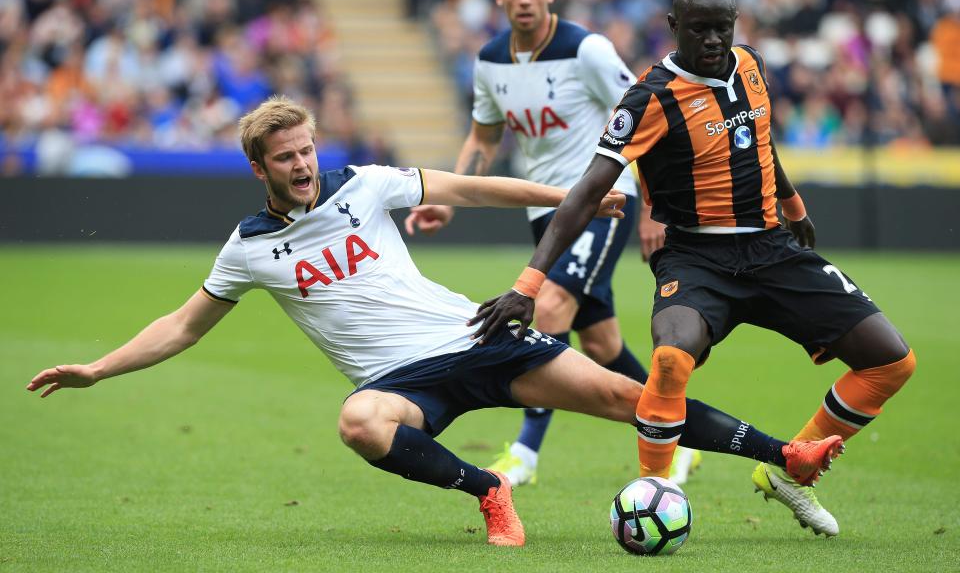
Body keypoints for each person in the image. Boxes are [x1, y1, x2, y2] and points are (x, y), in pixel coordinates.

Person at [27, 95, 843, 548]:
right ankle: (489, 491)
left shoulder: (366, 184)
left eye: (308, 149)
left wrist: (571, 196)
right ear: (259, 169)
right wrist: (98, 368)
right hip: (401, 385)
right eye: (286, 158)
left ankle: (786, 455)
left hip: (476, 336)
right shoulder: (246, 251)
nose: (304, 164)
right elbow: (182, 325)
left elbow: (475, 188)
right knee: (358, 421)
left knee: (624, 394)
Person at [470, 0, 915, 538]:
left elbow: (760, 139)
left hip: (772, 247)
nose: (712, 40)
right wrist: (528, 283)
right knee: (671, 358)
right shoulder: (649, 97)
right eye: (699, 29)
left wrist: (795, 205)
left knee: (891, 361)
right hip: (696, 259)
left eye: (722, 28)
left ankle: (792, 474)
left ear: (735, 25)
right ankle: (653, 490)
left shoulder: (750, 64)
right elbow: (586, 192)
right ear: (674, 27)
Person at [403, 0, 703, 488]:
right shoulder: (491, 59)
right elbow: (484, 136)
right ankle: (674, 434)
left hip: (603, 202)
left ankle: (525, 453)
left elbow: (650, 118)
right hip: (546, 213)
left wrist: (653, 210)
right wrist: (448, 196)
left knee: (550, 304)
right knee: (603, 345)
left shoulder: (586, 50)